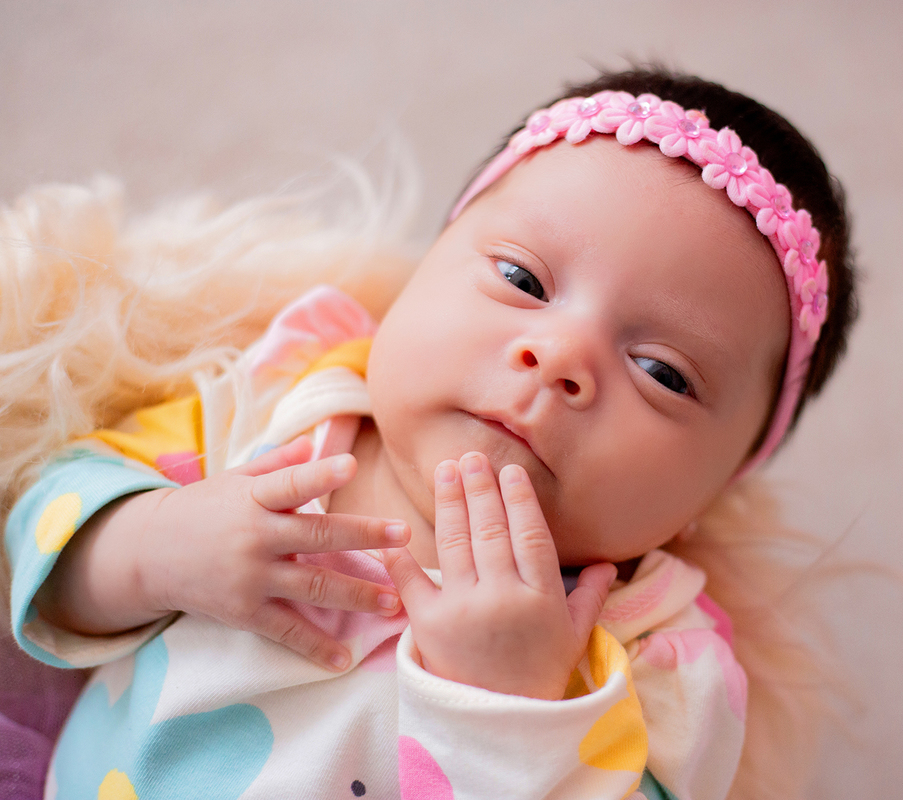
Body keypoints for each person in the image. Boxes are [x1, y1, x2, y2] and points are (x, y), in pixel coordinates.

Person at [2, 67, 857, 799]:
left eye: (664, 372)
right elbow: (49, 514)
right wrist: (150, 551)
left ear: (721, 486)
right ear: (425, 269)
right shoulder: (281, 402)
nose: (557, 357)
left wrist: (510, 713)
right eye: (523, 279)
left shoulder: (662, 662)